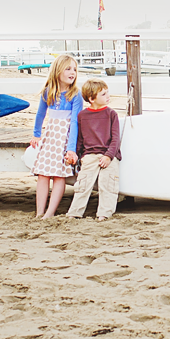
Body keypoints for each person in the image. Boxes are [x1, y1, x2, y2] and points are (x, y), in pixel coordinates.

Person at [30, 54, 82, 218]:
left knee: (59, 175)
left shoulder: (75, 95)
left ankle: (50, 213)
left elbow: (75, 122)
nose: (72, 72)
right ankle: (40, 212)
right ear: (58, 71)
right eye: (68, 69)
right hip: (51, 136)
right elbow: (40, 115)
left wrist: (71, 149)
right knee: (43, 173)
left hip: (65, 137)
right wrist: (36, 134)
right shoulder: (48, 92)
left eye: (74, 69)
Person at [67, 79, 121, 221]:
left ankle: (104, 213)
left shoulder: (111, 114)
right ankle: (75, 212)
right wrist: (76, 155)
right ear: (91, 99)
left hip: (109, 155)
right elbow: (80, 139)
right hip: (89, 155)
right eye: (103, 94)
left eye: (107, 92)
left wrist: (109, 156)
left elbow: (116, 139)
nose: (108, 96)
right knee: (82, 185)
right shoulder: (82, 116)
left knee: (108, 184)